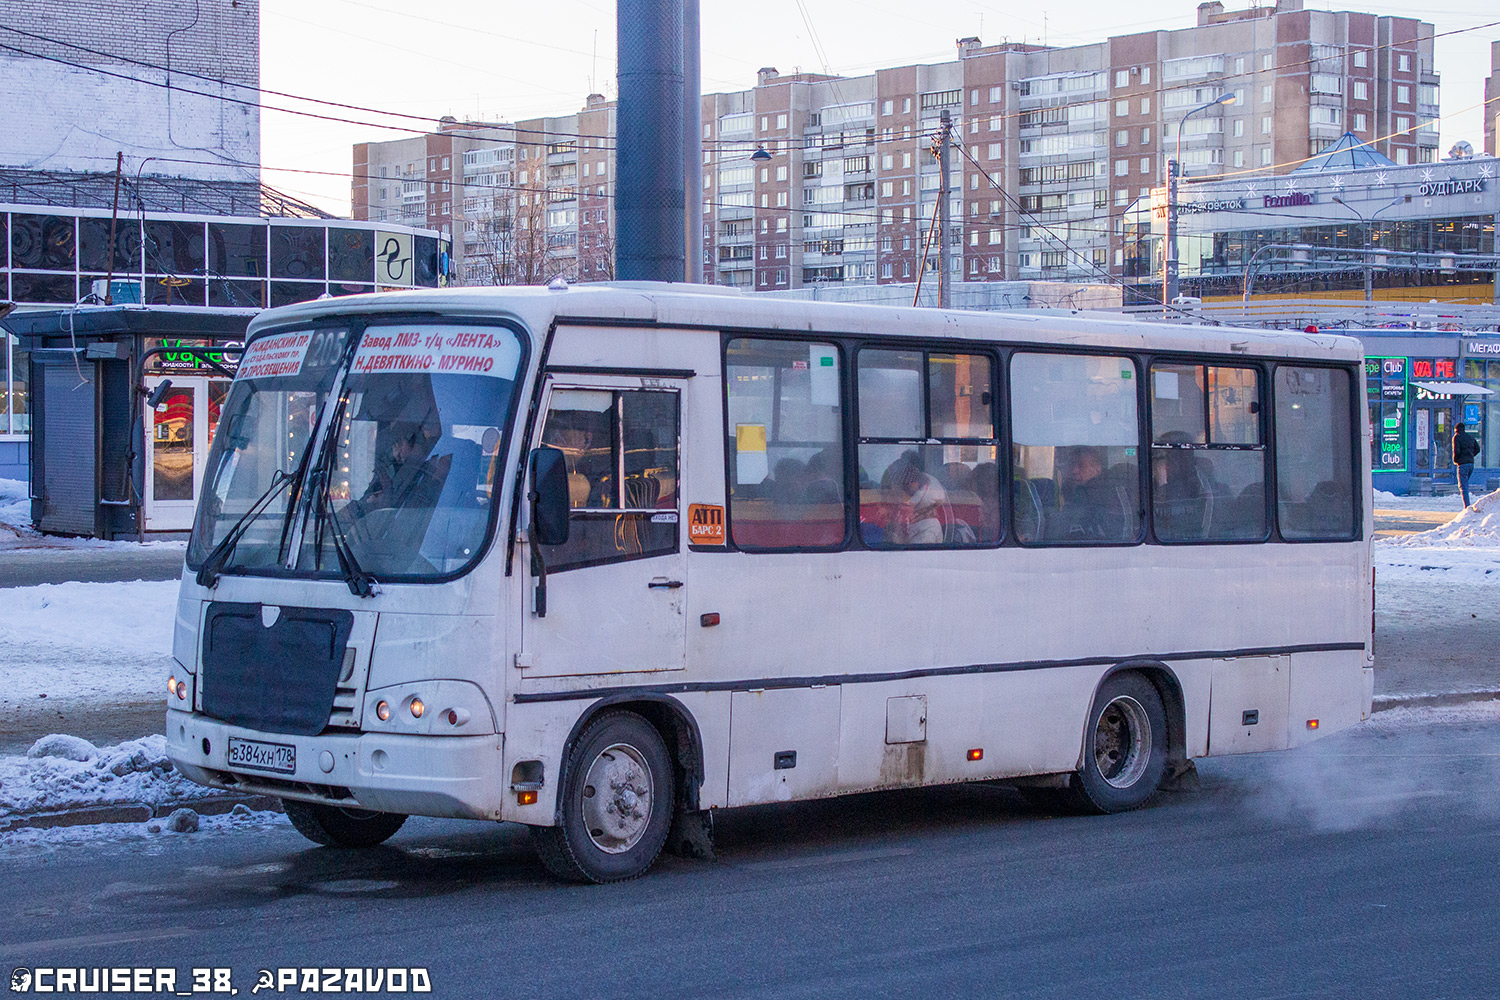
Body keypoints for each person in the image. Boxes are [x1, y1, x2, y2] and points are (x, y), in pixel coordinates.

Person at [1452, 422, 1481, 507]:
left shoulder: (1457, 437)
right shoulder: (1470, 437)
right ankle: (1467, 504)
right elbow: (1477, 449)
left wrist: (1456, 460)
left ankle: (1467, 506)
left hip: (1462, 464)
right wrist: (1471, 455)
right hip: (1471, 464)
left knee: (1463, 486)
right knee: (1465, 484)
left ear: (1456, 430)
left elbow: (1456, 451)